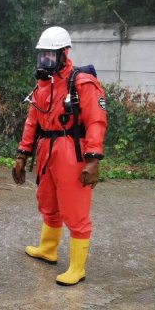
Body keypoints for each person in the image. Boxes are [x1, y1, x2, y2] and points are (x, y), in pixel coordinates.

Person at [12, 26, 107, 286]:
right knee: (47, 201)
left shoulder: (82, 82)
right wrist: (22, 153)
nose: (45, 62)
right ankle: (48, 249)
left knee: (75, 209)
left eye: (50, 57)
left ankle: (77, 268)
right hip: (47, 149)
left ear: (64, 55)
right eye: (42, 56)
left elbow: (96, 120)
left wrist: (92, 158)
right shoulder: (42, 87)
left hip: (71, 149)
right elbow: (32, 122)